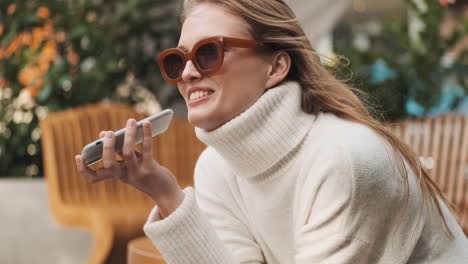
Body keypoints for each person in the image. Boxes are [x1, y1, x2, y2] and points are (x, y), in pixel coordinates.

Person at [75, 0, 468, 263]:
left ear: (276, 67)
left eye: (209, 52)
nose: (189, 72)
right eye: (178, 60)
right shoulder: (218, 166)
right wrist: (165, 194)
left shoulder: (346, 161)